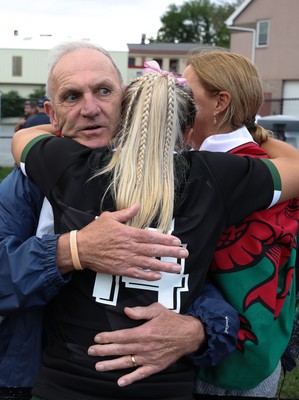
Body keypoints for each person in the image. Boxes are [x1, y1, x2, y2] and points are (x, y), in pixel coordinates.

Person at [12, 61, 299, 399]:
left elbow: (23, 137)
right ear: (189, 131)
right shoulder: (219, 176)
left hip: (68, 379)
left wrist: (61, 129)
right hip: (163, 384)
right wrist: (257, 136)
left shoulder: (71, 166)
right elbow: (294, 167)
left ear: (123, 121)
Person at [182, 50, 299, 397]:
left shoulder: (211, 172)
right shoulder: (274, 168)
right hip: (265, 354)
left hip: (220, 366)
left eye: (186, 93)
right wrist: (257, 133)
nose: (177, 101)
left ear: (220, 102)